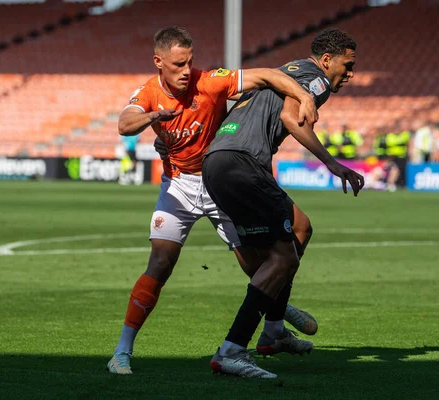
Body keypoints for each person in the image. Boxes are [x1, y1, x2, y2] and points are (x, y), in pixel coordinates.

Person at [107, 26, 320, 375]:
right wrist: (152, 118)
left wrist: (304, 96)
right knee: (160, 262)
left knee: (257, 266)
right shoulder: (147, 93)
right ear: (158, 62)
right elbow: (125, 123)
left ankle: (277, 320)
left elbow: (267, 75)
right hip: (178, 186)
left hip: (219, 184)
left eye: (189, 61)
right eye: (177, 64)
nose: (186, 70)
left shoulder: (209, 81)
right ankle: (121, 352)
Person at [203, 27, 364, 379]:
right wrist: (332, 162)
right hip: (242, 164)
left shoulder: (290, 70)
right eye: (347, 65)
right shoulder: (315, 80)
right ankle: (232, 350)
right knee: (282, 257)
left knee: (300, 228)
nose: (350, 74)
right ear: (326, 60)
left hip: (219, 162)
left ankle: (273, 331)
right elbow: (292, 118)